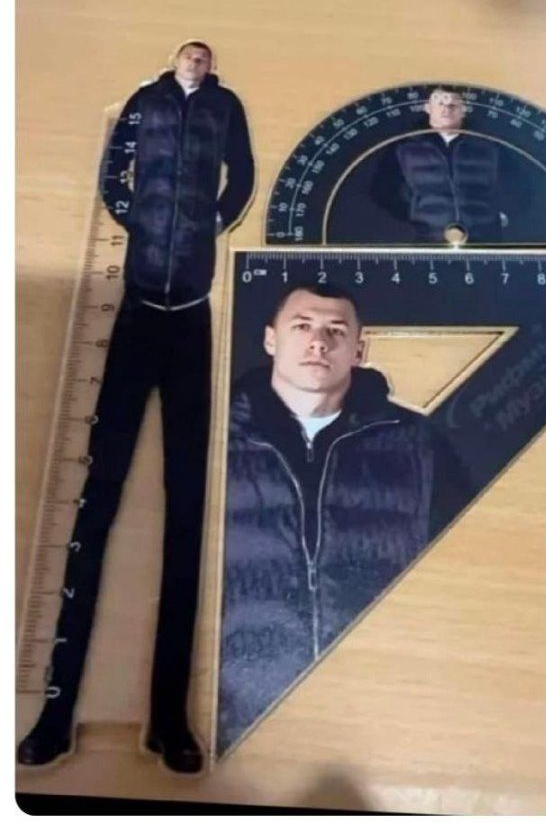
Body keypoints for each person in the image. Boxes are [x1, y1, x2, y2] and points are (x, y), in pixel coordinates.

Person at [18, 41, 255, 774]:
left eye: (203, 57)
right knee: (95, 506)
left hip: (193, 315)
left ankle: (171, 718)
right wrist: (140, 222)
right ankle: (54, 712)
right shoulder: (144, 103)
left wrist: (210, 223)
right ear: (174, 62)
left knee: (187, 510)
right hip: (134, 309)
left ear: (209, 66)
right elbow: (111, 172)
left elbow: (243, 175)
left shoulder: (226, 105)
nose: (194, 63)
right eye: (187, 55)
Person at [218, 281, 468, 752]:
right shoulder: (213, 437)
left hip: (385, 710)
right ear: (271, 340)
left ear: (359, 349)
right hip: (238, 714)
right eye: (302, 326)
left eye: (336, 330)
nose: (319, 342)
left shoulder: (418, 443)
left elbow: (464, 575)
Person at [371, 87, 530, 244]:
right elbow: (382, 189)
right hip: (428, 239)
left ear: (464, 110)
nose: (446, 109)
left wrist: (500, 217)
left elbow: (519, 186)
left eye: (453, 105)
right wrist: (414, 217)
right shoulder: (404, 147)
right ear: (428, 108)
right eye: (440, 103)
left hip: (484, 239)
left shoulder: (490, 146)